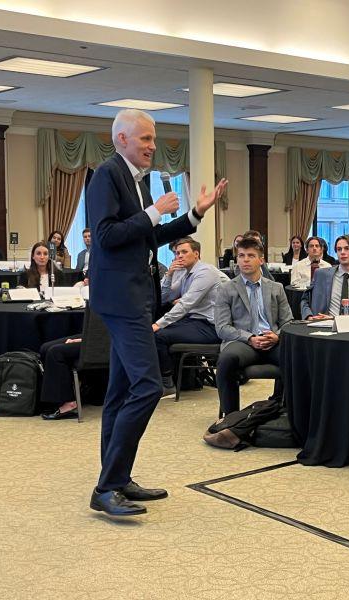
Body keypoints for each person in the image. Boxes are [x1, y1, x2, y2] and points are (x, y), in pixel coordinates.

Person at [87, 108, 227, 517]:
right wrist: (153, 212)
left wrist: (194, 214)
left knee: (119, 393)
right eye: (145, 139)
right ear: (122, 140)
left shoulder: (135, 181)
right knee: (149, 387)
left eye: (153, 138)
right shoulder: (106, 176)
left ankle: (117, 479)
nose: (152, 146)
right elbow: (108, 236)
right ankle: (108, 485)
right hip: (120, 298)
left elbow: (150, 235)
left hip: (134, 295)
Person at [214, 237, 293, 417]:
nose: (245, 260)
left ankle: (287, 411)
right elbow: (222, 328)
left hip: (271, 340)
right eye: (241, 256)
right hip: (242, 342)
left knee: (296, 356)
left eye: (251, 255)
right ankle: (232, 418)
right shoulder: (226, 289)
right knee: (226, 359)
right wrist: (249, 338)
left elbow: (288, 322)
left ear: (261, 260)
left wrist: (277, 336)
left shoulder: (276, 288)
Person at [152, 237, 222, 396]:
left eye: (184, 252)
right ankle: (161, 379)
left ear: (196, 254)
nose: (179, 256)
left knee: (158, 334)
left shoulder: (205, 272)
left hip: (210, 326)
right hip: (194, 322)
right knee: (153, 331)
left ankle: (167, 384)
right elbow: (164, 298)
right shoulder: (186, 274)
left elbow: (186, 304)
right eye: (177, 253)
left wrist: (159, 324)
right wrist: (169, 275)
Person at [301, 234, 349, 319]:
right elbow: (305, 300)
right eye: (339, 249)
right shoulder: (320, 274)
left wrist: (335, 319)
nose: (342, 252)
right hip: (321, 326)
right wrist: (308, 316)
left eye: (347, 248)